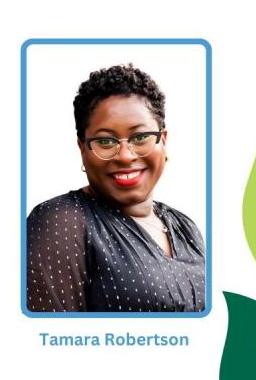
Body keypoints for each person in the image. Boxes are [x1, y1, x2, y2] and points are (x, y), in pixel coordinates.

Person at [26, 64, 205, 313]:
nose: (124, 155)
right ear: (82, 148)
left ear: (163, 140)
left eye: (140, 137)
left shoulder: (186, 227)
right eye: (105, 141)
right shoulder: (61, 221)